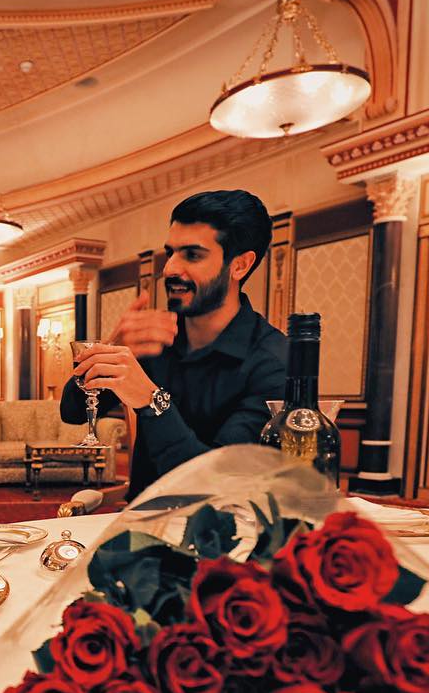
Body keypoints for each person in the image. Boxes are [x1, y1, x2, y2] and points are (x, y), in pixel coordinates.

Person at [63, 189, 287, 501]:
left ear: (240, 265)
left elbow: (211, 485)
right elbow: (72, 412)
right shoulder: (156, 336)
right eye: (171, 253)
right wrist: (112, 349)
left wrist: (151, 401)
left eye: (192, 255)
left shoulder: (274, 360)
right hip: (140, 517)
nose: (169, 269)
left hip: (224, 524)